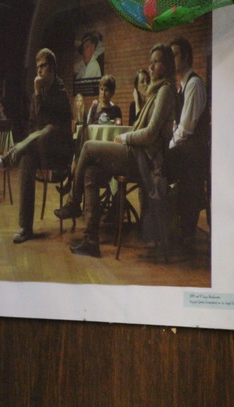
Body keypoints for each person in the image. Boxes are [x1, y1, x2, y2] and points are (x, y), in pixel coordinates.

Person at [55, 44, 178, 258]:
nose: (151, 66)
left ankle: (74, 202)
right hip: (138, 154)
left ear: (167, 65)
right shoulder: (156, 91)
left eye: (157, 61)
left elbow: (150, 134)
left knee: (88, 147)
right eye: (151, 61)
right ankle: (91, 240)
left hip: (144, 159)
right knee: (91, 171)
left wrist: (125, 137)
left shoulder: (165, 91)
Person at [0, 48, 73, 243]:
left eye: (43, 66)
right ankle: (25, 228)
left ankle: (12, 153)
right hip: (41, 148)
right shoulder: (39, 90)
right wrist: (37, 93)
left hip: (58, 153)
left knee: (50, 129)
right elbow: (34, 122)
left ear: (52, 68)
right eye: (38, 67)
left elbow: (56, 125)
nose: (39, 70)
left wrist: (40, 95)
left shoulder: (60, 91)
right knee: (27, 159)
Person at [166, 36, 211, 253]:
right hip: (186, 149)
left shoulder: (194, 84)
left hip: (195, 152)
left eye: (174, 55)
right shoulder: (181, 87)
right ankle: (168, 227)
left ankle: (184, 234)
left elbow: (186, 129)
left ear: (185, 57)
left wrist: (168, 147)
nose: (171, 60)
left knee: (159, 165)